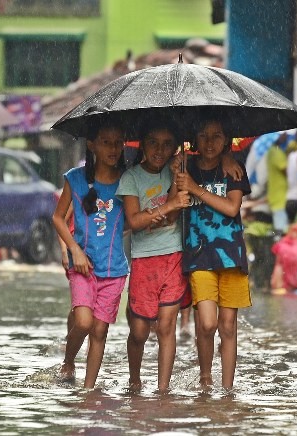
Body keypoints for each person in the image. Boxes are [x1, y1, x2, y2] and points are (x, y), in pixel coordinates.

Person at [51, 119, 129, 388]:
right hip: (82, 266)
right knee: (83, 322)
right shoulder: (75, 178)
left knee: (100, 330)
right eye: (106, 142)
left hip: (115, 269)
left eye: (118, 143)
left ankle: (89, 389)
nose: (113, 148)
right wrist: (74, 250)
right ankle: (69, 360)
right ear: (93, 144)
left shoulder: (127, 181)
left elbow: (130, 221)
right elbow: (58, 218)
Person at [175, 117, 251, 390]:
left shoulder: (233, 169)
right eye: (203, 136)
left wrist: (196, 188)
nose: (209, 142)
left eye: (217, 136)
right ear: (194, 138)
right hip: (199, 256)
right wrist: (179, 174)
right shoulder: (186, 166)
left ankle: (227, 389)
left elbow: (232, 208)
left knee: (228, 326)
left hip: (231, 257)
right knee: (207, 323)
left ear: (227, 140)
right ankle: (206, 376)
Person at [116, 119, 191, 393]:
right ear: (143, 145)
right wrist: (171, 202)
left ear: (174, 148)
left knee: (166, 327)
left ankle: (162, 390)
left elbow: (173, 215)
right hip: (143, 259)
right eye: (153, 143)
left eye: (167, 144)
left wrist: (177, 177)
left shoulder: (177, 174)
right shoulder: (131, 178)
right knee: (139, 333)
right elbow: (134, 221)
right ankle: (134, 380)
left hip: (173, 256)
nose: (160, 150)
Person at [265, 132, 290, 234]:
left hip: (276, 196)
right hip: (280, 197)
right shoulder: (276, 153)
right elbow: (286, 170)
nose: (286, 135)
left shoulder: (271, 151)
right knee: (282, 231)